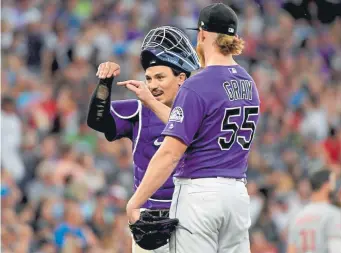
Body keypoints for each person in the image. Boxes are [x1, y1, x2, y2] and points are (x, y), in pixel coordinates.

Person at [126, 3, 260, 253]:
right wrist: (153, 103)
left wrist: (135, 202)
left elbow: (170, 153)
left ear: (202, 35)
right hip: (237, 195)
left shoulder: (197, 84)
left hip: (200, 195)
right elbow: (199, 128)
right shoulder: (248, 83)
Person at [87, 26, 200, 253]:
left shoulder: (200, 111)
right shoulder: (139, 111)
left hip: (193, 217)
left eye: (160, 77)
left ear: (181, 78)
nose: (153, 85)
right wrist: (104, 83)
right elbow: (98, 120)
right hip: (150, 221)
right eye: (148, 78)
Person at [287, 169, 341, 253]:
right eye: (334, 183)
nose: (336, 188)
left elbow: (291, 250)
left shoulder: (297, 215)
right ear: (326, 185)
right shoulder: (334, 214)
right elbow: (337, 249)